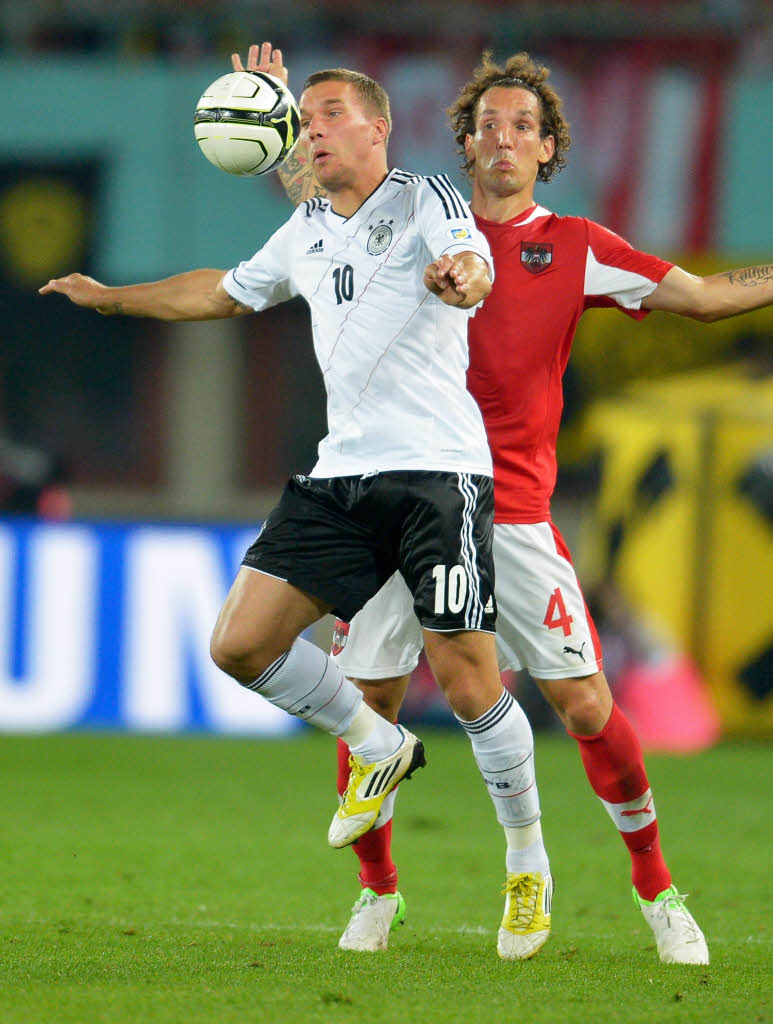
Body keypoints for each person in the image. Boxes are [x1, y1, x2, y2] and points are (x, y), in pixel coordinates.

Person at [244, 43, 773, 965]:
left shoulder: (573, 249)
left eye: (521, 125)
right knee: (368, 698)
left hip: (514, 515)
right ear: (465, 142)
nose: (500, 135)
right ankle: (379, 893)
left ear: (545, 149)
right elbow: (311, 192)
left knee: (582, 703)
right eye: (485, 122)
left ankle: (657, 890)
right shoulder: (403, 218)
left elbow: (696, 297)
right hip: (398, 491)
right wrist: (282, 112)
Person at [40, 57, 555, 960]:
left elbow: (469, 263)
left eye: (329, 116)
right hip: (342, 476)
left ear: (376, 128)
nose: (311, 131)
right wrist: (112, 297)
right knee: (239, 644)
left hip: (438, 473)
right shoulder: (306, 229)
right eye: (304, 119)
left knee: (472, 686)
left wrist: (466, 279)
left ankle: (526, 863)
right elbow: (222, 290)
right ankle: (374, 742)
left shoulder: (425, 194)